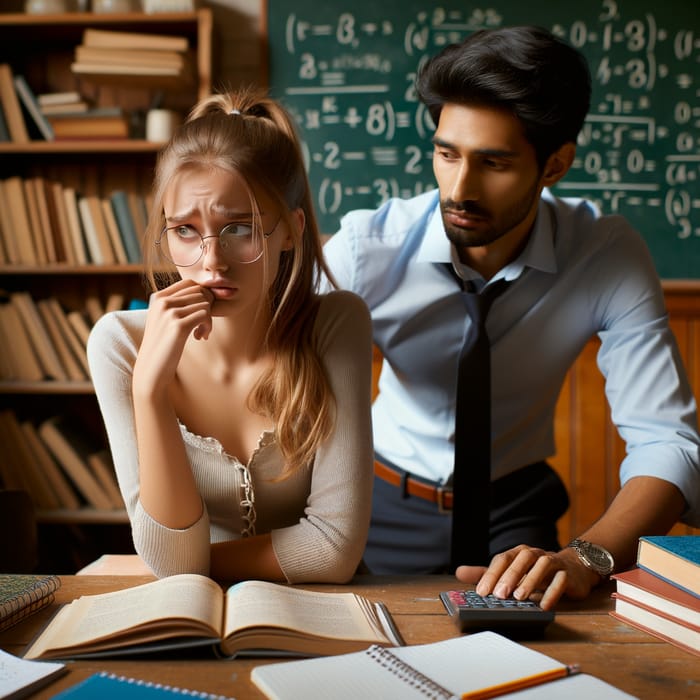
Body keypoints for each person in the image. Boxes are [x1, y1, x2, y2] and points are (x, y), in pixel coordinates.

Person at [321, 26, 700, 607]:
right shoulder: (368, 248)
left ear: (554, 165)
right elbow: (267, 373)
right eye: (446, 154)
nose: (459, 188)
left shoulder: (604, 253)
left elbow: (666, 440)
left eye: (492, 163)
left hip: (518, 513)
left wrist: (585, 558)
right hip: (379, 504)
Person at [87, 89, 374, 583]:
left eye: (238, 228)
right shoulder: (120, 345)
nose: (210, 260)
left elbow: (333, 550)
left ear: (291, 230)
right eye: (184, 230)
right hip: (190, 615)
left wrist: (180, 567)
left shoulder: (336, 325)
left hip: (324, 613)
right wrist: (150, 390)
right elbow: (176, 564)